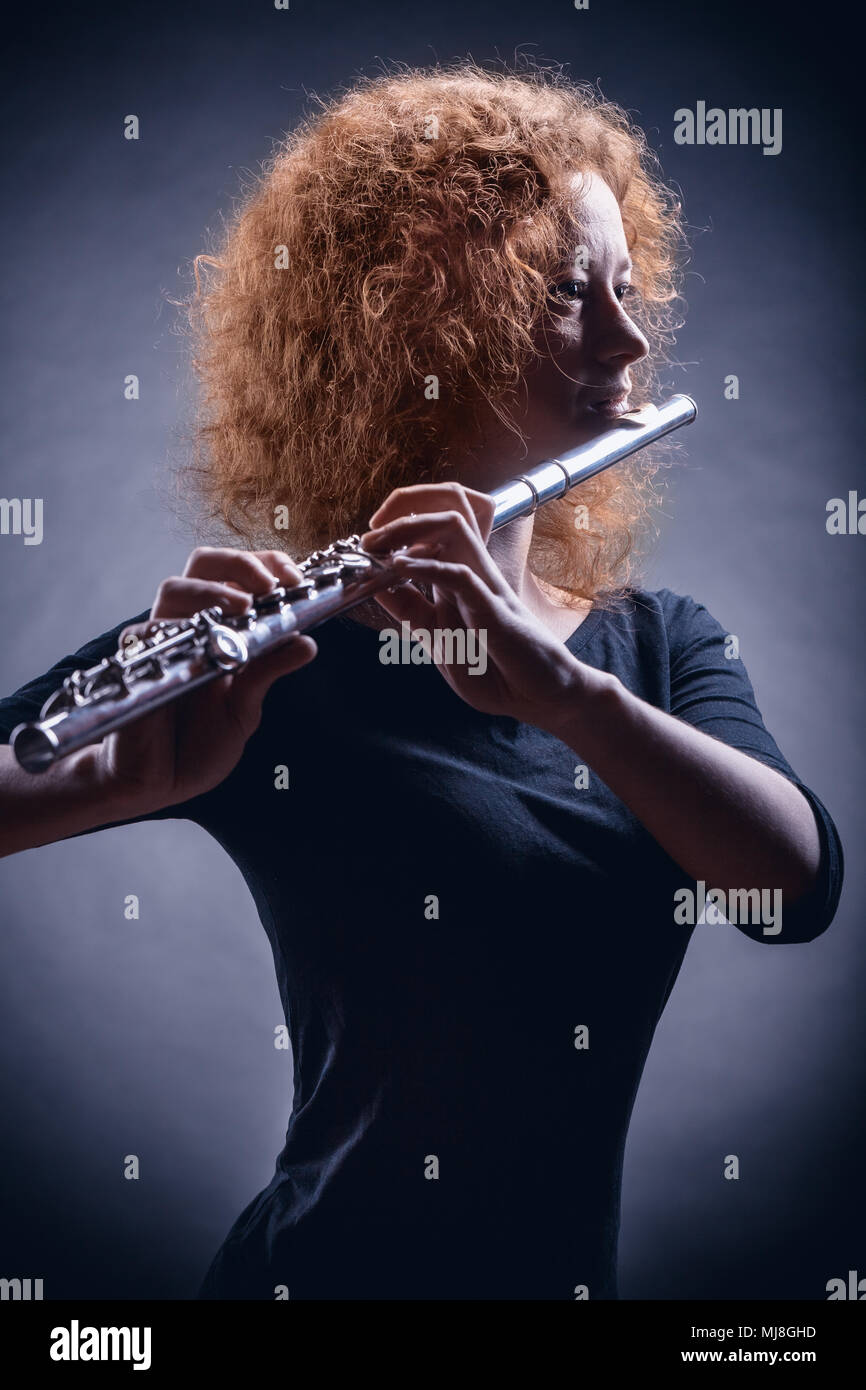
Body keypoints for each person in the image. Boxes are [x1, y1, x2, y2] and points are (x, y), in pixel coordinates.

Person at [0, 65, 843, 1300]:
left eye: (625, 287)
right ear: (428, 322)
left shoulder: (656, 648)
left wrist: (564, 696)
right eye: (567, 293)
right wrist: (102, 785)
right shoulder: (270, 649)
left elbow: (791, 890)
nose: (628, 336)